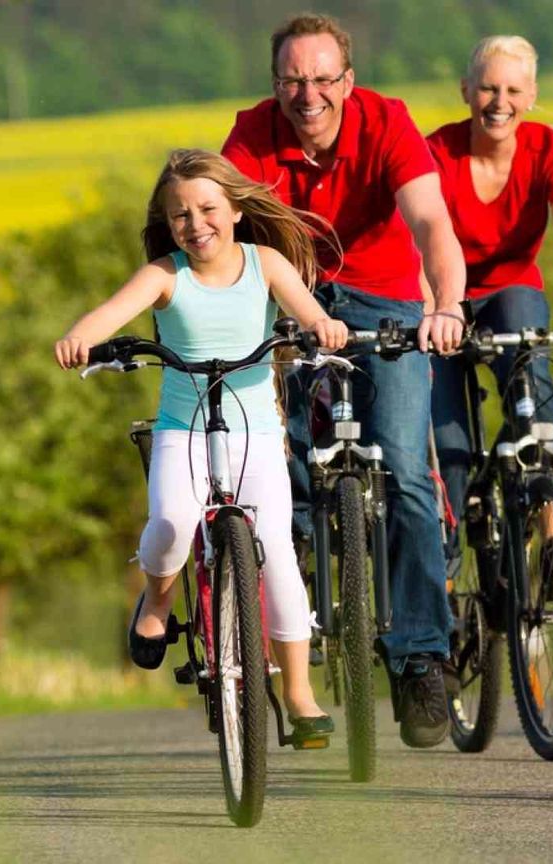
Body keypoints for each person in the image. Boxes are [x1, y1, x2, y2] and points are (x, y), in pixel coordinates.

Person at [220, 12, 469, 749]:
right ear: (276, 84)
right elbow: (220, 229)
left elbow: (430, 223)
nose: (309, 93)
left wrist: (446, 305)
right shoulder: (252, 135)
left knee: (406, 471)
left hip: (386, 297)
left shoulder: (388, 122)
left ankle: (422, 656)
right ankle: (289, 614)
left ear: (348, 81)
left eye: (323, 78)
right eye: (294, 79)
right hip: (293, 298)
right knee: (275, 463)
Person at [54, 149, 348, 745]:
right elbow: (109, 314)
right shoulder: (166, 275)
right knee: (170, 523)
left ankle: (297, 693)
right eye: (180, 215)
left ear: (236, 209)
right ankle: (158, 599)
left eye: (208, 208)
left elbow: (310, 313)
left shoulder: (266, 264)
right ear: (168, 224)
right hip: (182, 431)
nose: (196, 224)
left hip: (256, 433)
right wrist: (80, 339)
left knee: (278, 555)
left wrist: (324, 328)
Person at [426, 35, 553, 545]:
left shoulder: (551, 150)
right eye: (488, 88)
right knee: (446, 442)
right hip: (441, 298)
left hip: (508, 292)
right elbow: (415, 244)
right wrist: (434, 313)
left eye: (513, 89)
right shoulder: (435, 152)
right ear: (466, 91)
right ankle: (443, 573)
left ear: (531, 95)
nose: (499, 102)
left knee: (529, 354)